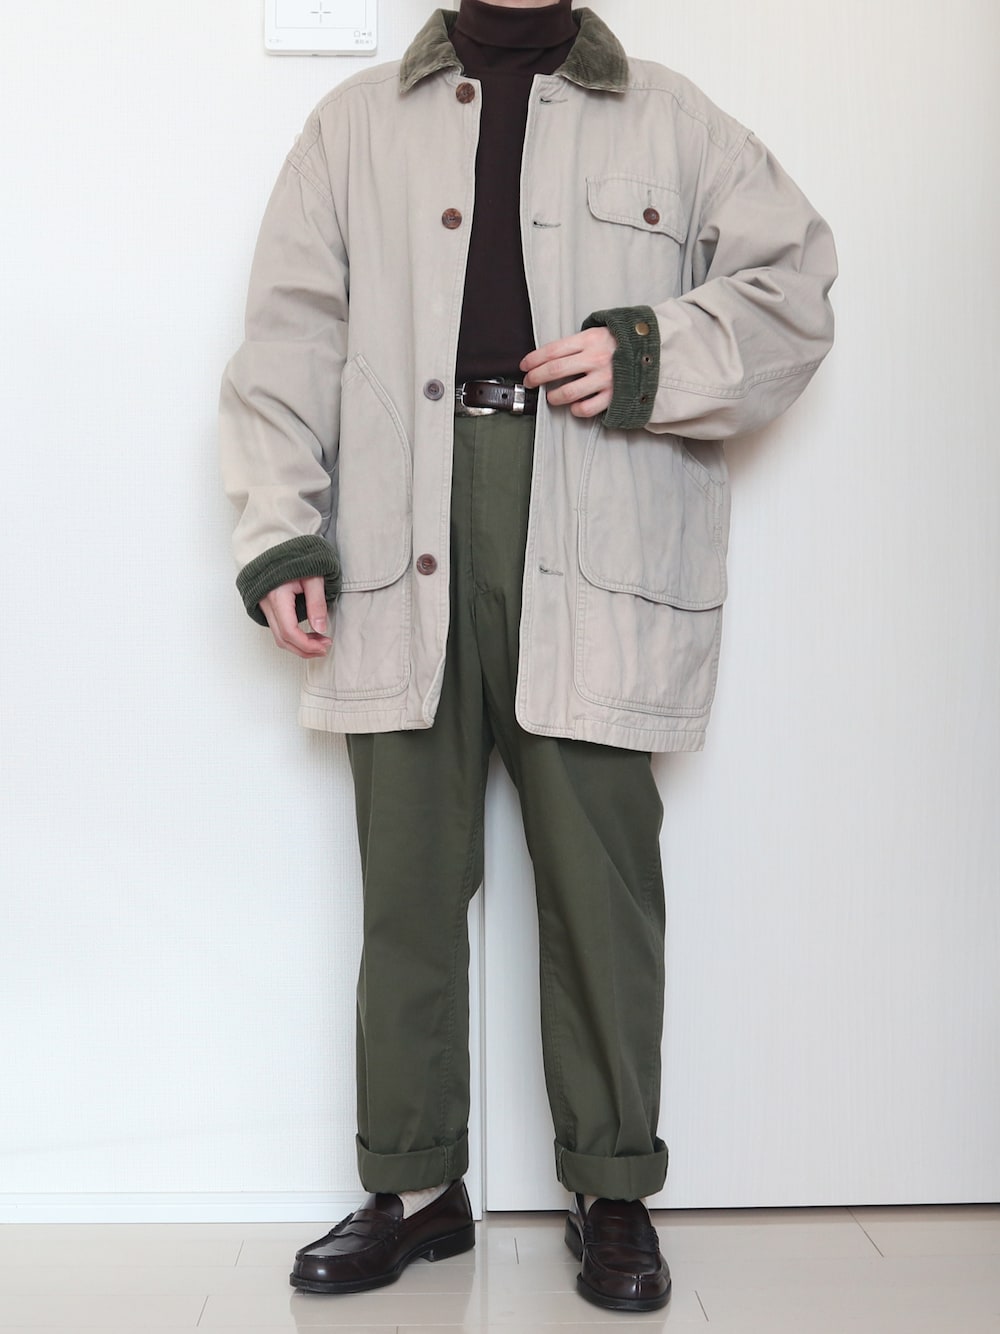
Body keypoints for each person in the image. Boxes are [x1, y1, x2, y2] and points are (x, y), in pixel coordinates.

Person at [220, 0, 836, 1313]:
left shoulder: (673, 118)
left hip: (591, 523)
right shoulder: (352, 128)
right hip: (398, 525)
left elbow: (795, 286)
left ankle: (612, 1188)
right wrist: (280, 532)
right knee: (407, 878)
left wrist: (649, 354)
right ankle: (413, 1187)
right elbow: (286, 339)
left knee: (601, 882)